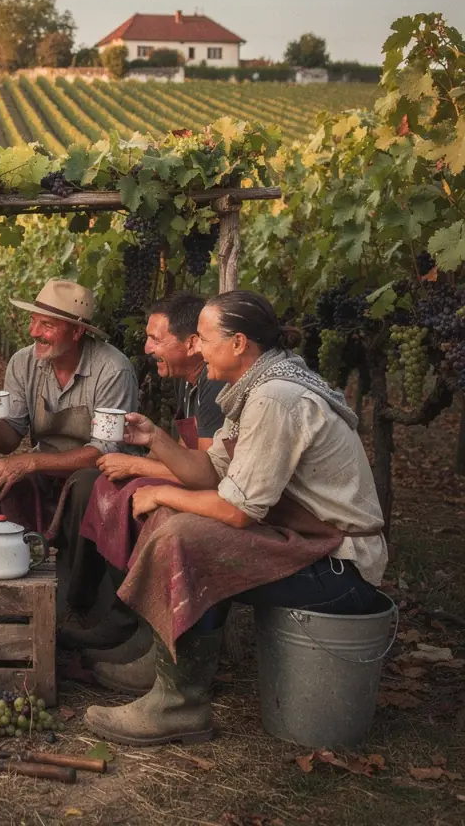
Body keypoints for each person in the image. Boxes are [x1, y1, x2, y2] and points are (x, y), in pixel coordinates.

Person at [84, 290, 387, 746]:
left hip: (342, 568)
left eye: (204, 338)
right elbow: (210, 473)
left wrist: (163, 490)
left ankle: (179, 705)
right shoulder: (252, 389)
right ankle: (167, 660)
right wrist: (156, 439)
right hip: (304, 540)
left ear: (239, 342)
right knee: (176, 521)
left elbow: (236, 510)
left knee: (187, 537)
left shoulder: (275, 398)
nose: (198, 348)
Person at [66, 292, 225, 659]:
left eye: (156, 338)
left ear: (191, 344)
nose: (147, 347)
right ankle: (116, 613)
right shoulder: (188, 381)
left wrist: (137, 465)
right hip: (204, 479)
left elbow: (208, 471)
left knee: (130, 493)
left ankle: (138, 626)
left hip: (221, 492)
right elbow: (188, 457)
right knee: (106, 484)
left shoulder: (214, 383)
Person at [0, 279, 138, 616]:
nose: (34, 332)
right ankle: (3, 597)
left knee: (86, 485)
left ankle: (80, 609)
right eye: (34, 321)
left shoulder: (112, 369)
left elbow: (106, 451)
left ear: (77, 332)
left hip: (104, 472)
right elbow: (9, 442)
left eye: (46, 325)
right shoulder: (24, 363)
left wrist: (29, 464)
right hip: (47, 467)